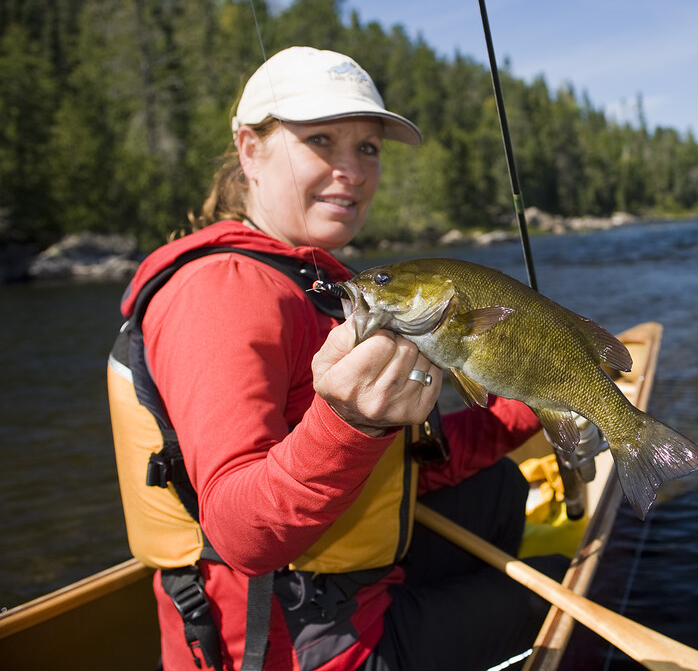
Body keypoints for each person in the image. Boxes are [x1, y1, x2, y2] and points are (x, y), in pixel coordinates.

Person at [108, 46, 565, 671]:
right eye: (322, 140)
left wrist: (534, 409)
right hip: (296, 643)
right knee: (557, 592)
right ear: (250, 150)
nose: (352, 170)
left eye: (368, 148)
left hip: (346, 584)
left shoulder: (316, 281)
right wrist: (351, 423)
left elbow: (399, 470)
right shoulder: (221, 292)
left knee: (500, 492)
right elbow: (239, 532)